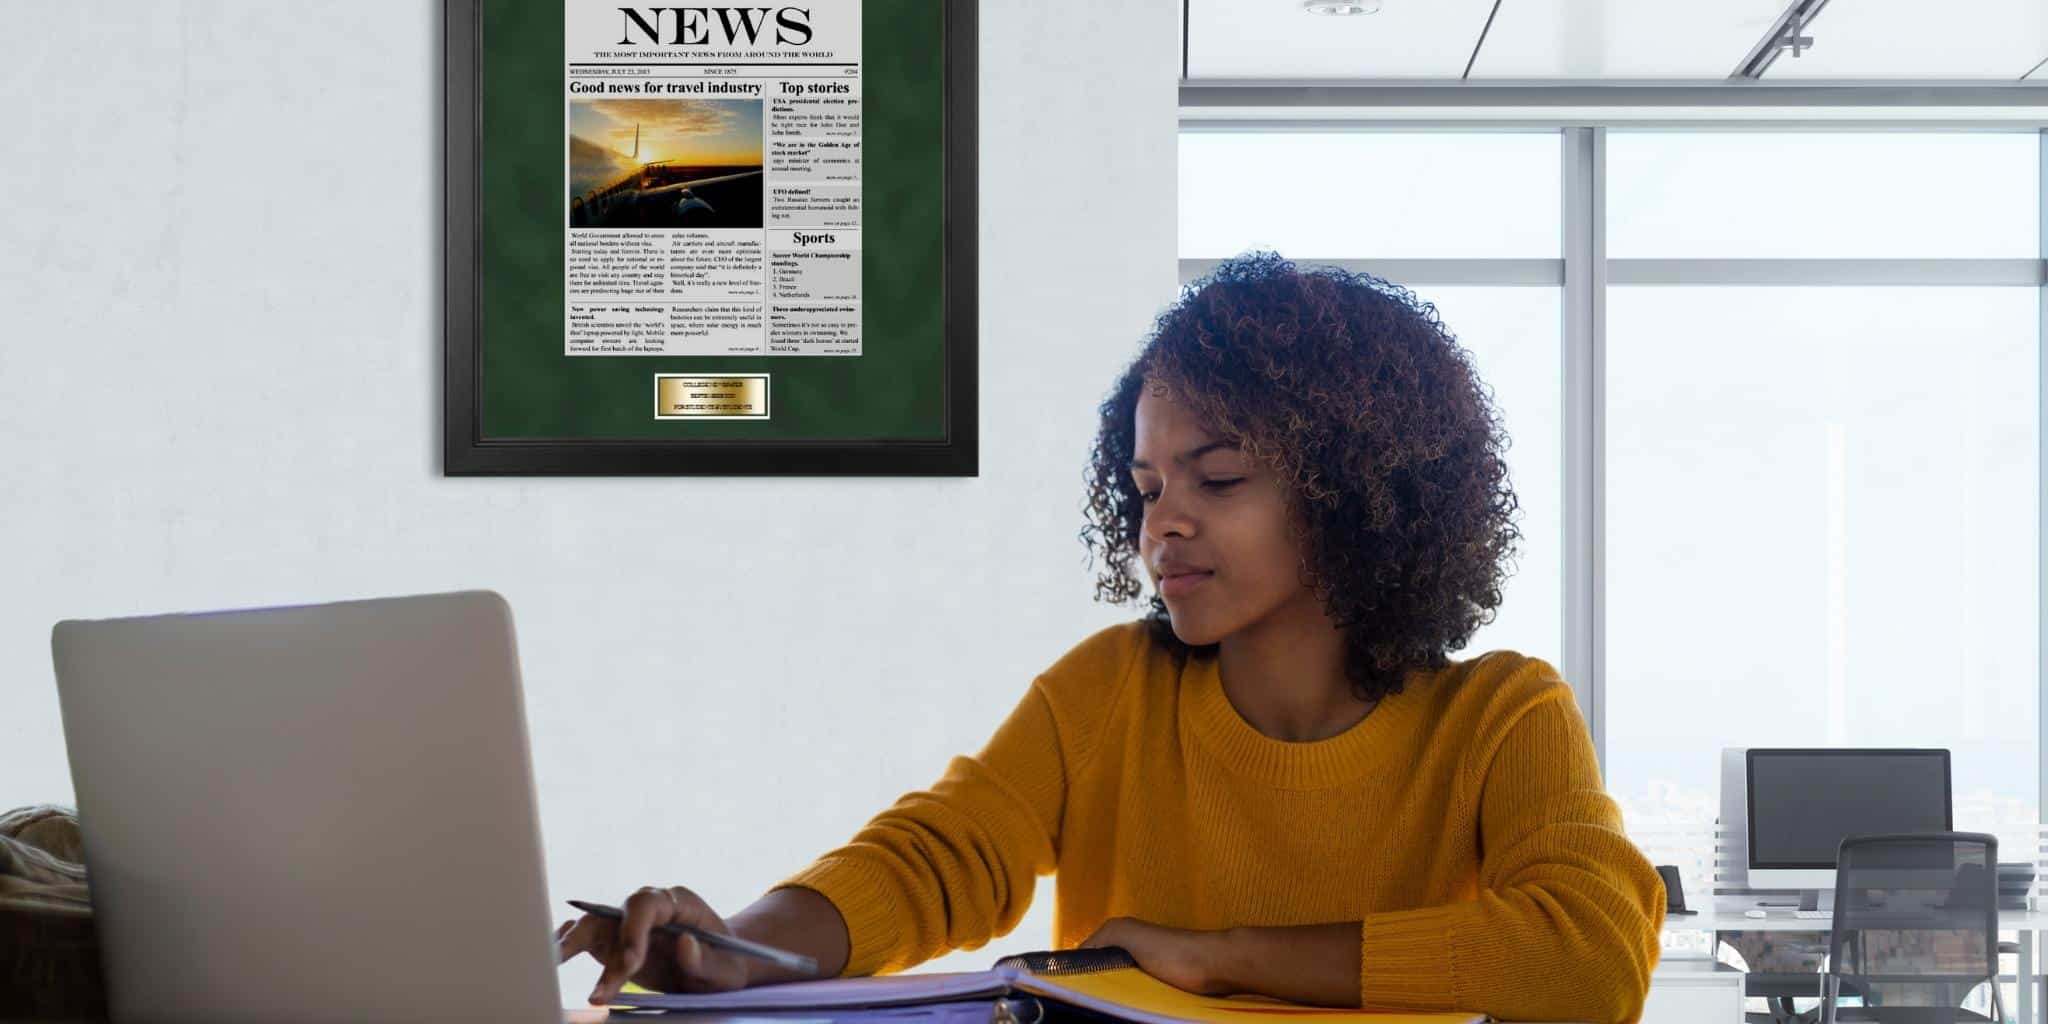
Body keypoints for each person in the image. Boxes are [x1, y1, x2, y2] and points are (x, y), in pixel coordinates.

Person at [556, 251, 1668, 1024]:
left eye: (1217, 477)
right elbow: (932, 859)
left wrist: (1224, 958)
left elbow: (1587, 955)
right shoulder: (1111, 691)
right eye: (1144, 486)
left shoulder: (1499, 715)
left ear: (1357, 492)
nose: (1162, 522)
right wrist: (735, 950)